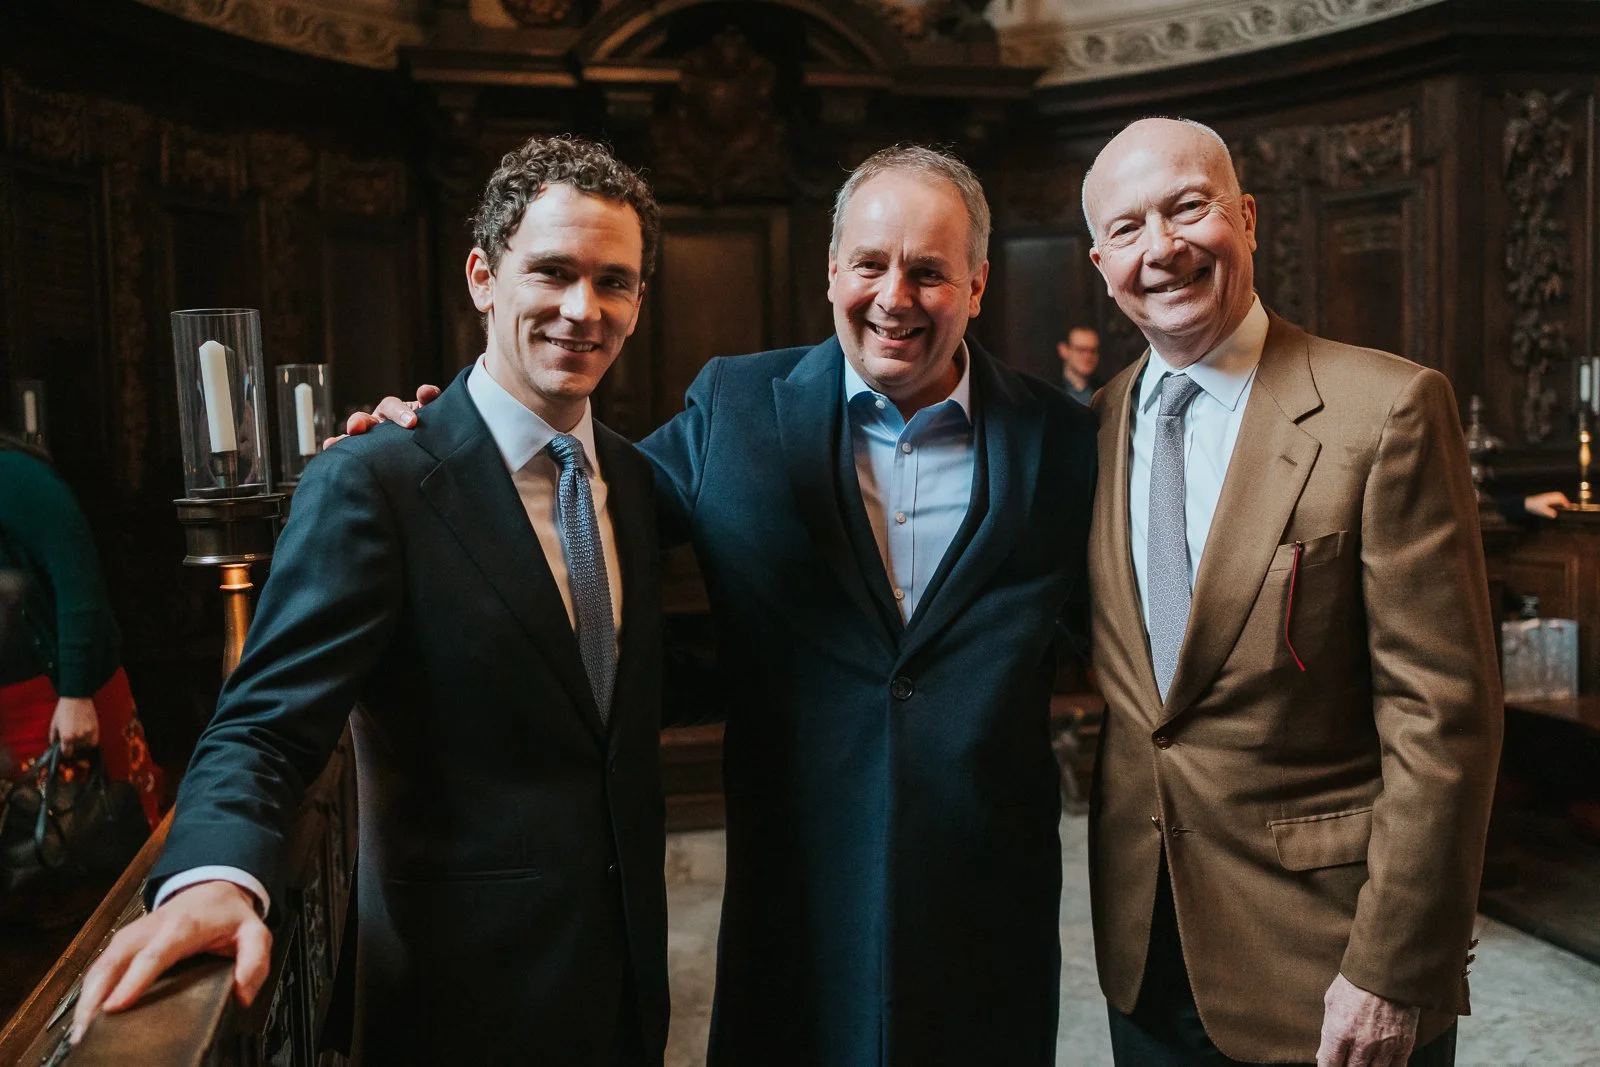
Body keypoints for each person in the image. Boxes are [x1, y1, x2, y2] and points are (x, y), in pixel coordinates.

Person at [352, 145, 1098, 1066]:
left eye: (930, 271)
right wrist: (438, 446)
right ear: (832, 273)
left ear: (978, 285)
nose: (894, 295)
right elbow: (569, 513)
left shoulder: (1063, 444)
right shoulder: (736, 406)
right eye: (869, 263)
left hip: (990, 921)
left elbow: (1119, 637)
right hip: (792, 916)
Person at [74, 136, 672, 1065]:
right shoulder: (377, 478)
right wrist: (212, 877)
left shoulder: (633, 481)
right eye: (551, 271)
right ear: (482, 276)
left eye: (615, 281)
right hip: (455, 1002)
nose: (582, 309)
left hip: (626, 991)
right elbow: (264, 725)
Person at [1080, 117, 1501, 1066]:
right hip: (1145, 956)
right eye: (1130, 227)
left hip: (1330, 962)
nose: (1165, 247)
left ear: (1248, 217)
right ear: (1100, 261)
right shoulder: (1091, 430)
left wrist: (1395, 965)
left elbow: (1444, 717)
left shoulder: (1385, 409)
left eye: (1189, 208)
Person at [0, 435, 161, 828]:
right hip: (8, 715)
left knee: (110, 841)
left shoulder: (15, 474)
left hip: (58, 699)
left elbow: (79, 582)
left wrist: (76, 692)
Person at [1057, 325, 1102, 405]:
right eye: (1081, 350)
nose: (1087, 356)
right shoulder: (1047, 389)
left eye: (1093, 351)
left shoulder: (1105, 392)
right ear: (1063, 350)